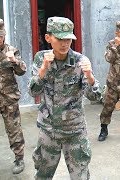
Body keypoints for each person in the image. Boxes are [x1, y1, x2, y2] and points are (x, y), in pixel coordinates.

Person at [29, 17, 101, 179]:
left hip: (74, 131)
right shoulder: (41, 58)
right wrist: (43, 70)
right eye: (60, 39)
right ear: (48, 38)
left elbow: (95, 97)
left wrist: (90, 77)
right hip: (49, 131)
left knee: (80, 176)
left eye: (68, 39)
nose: (65, 43)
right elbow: (33, 92)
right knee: (42, 175)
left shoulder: (80, 61)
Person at [0, 18, 26, 174]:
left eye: (0, 35)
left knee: (14, 130)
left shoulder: (12, 50)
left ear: (4, 34)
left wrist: (14, 61)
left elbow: (22, 71)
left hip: (9, 99)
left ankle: (19, 159)